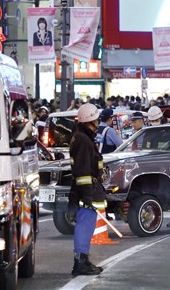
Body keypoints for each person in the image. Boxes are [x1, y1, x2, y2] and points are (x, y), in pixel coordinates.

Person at [68, 103, 106, 276]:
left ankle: (83, 260)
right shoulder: (83, 140)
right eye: (96, 121)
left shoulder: (83, 137)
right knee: (85, 226)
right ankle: (80, 262)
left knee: (87, 226)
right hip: (85, 192)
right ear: (88, 121)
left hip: (85, 190)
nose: (98, 125)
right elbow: (83, 171)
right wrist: (87, 196)